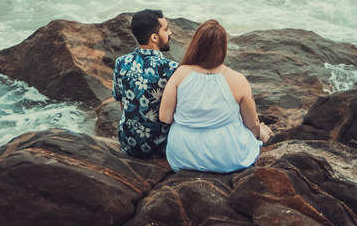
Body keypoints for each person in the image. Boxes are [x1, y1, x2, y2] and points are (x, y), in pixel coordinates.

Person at [159, 19, 272, 172]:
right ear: (224, 47)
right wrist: (260, 135)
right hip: (226, 156)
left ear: (196, 44)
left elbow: (165, 117)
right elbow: (251, 125)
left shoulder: (180, 73)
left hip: (182, 155)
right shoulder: (238, 80)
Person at [112, 9, 179, 158]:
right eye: (166, 29)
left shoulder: (120, 62)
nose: (170, 33)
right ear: (154, 37)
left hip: (127, 142)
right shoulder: (171, 69)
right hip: (159, 147)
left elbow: (122, 102)